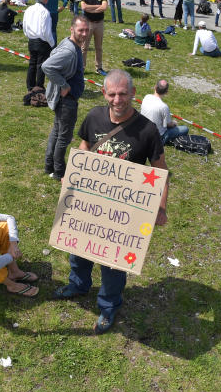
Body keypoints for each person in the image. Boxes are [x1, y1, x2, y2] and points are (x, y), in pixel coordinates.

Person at [53, 69, 169, 334]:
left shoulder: (148, 130)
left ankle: (108, 306)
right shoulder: (94, 116)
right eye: (113, 94)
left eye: (123, 94)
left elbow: (160, 170)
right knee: (80, 247)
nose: (118, 100)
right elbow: (84, 146)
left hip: (122, 211)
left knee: (113, 263)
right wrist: (73, 174)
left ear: (133, 94)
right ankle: (78, 285)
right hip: (89, 201)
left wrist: (161, 207)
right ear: (105, 93)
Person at [42, 15, 90, 181]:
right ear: (72, 29)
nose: (84, 34)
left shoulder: (69, 44)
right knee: (64, 137)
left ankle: (49, 166)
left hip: (64, 100)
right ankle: (59, 172)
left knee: (56, 133)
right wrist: (64, 85)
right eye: (80, 30)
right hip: (66, 101)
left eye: (86, 30)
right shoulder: (70, 51)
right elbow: (47, 66)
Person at [23, 0, 55, 91]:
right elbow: (46, 31)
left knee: (32, 63)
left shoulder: (29, 9)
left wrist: (28, 36)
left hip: (31, 40)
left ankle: (30, 86)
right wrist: (52, 43)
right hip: (42, 41)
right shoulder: (45, 12)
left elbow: (25, 26)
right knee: (41, 65)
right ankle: (39, 86)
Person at [140, 79, 188, 144]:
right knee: (185, 129)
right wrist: (174, 123)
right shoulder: (164, 107)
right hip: (158, 137)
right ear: (166, 92)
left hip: (143, 131)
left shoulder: (147, 97)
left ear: (155, 87)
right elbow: (168, 125)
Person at [79, 0, 108, 76]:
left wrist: (90, 8)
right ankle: (82, 68)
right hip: (88, 23)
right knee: (84, 47)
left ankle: (99, 68)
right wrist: (97, 8)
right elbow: (83, 7)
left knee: (99, 47)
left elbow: (104, 7)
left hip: (99, 23)